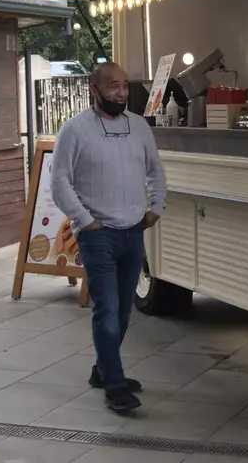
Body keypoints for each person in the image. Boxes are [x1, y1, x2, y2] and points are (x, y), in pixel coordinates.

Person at [49, 62, 166, 413]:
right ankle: (114, 385)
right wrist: (85, 221)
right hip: (97, 235)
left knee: (125, 309)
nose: (120, 92)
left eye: (124, 86)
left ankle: (103, 370)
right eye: (113, 86)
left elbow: (154, 170)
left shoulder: (139, 127)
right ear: (94, 89)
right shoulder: (75, 130)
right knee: (108, 309)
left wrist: (157, 206)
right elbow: (59, 182)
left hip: (133, 233)